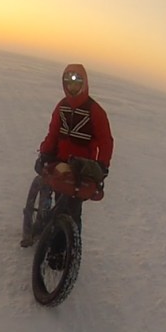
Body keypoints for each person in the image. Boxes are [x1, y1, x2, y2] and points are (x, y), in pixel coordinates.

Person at [20, 64, 114, 247]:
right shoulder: (62, 107)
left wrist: (102, 167)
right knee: (54, 192)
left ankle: (64, 247)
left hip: (81, 168)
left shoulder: (95, 111)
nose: (72, 87)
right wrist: (45, 152)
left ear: (84, 84)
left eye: (77, 83)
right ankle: (43, 228)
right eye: (68, 83)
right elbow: (53, 133)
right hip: (59, 161)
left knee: (72, 210)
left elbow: (106, 142)